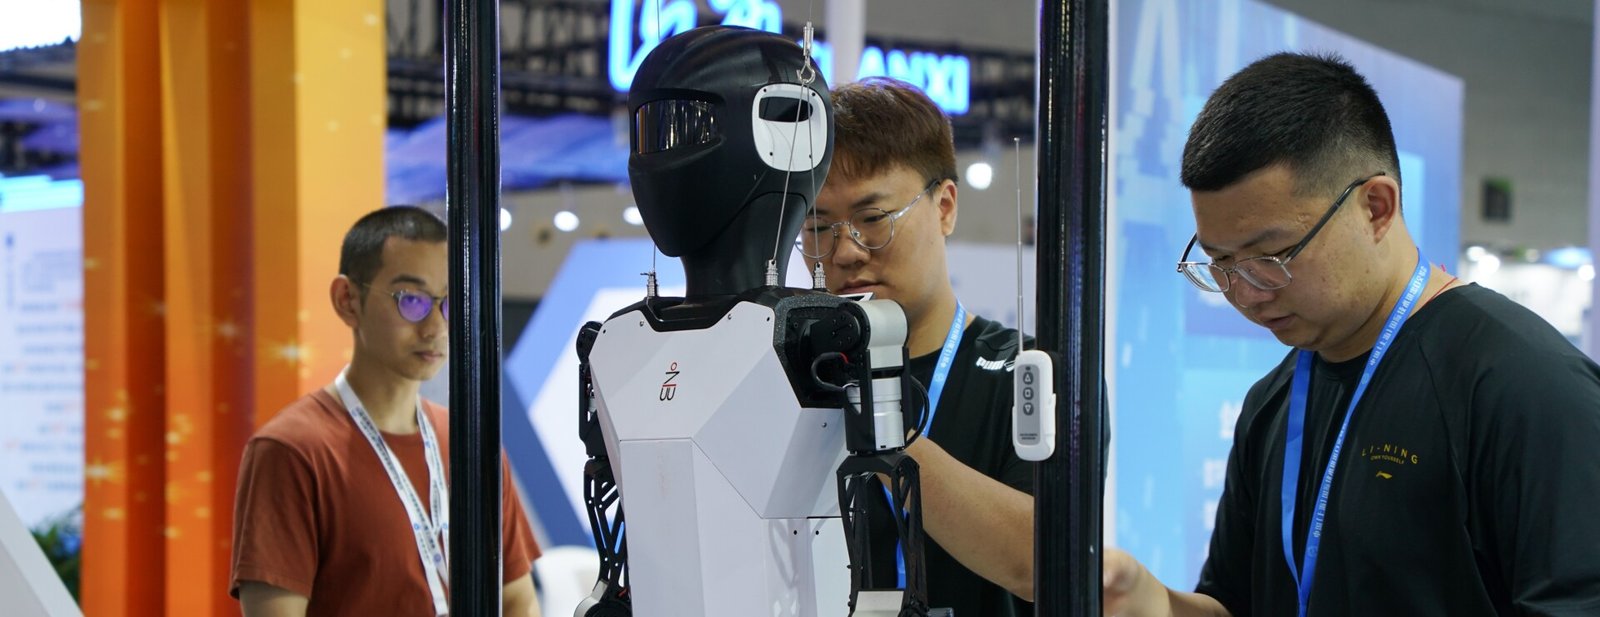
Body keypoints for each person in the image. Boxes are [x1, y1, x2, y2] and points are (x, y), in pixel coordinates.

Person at [1102, 52, 1600, 616]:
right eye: (1221, 263)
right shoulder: (1273, 402)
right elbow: (1236, 603)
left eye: (1271, 256)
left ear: (1376, 208)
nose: (1246, 294)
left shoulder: (1526, 389)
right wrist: (1151, 602)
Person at [230, 206, 543, 617]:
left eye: (450, 302)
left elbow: (518, 600)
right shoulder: (291, 450)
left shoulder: (472, 447)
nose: (434, 327)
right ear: (348, 300)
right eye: (411, 300)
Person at [804, 76, 1035, 616]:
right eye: (818, 227)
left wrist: (886, 430)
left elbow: (1037, 560)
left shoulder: (1029, 373)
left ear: (944, 206)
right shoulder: (798, 385)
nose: (845, 252)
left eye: (872, 219)